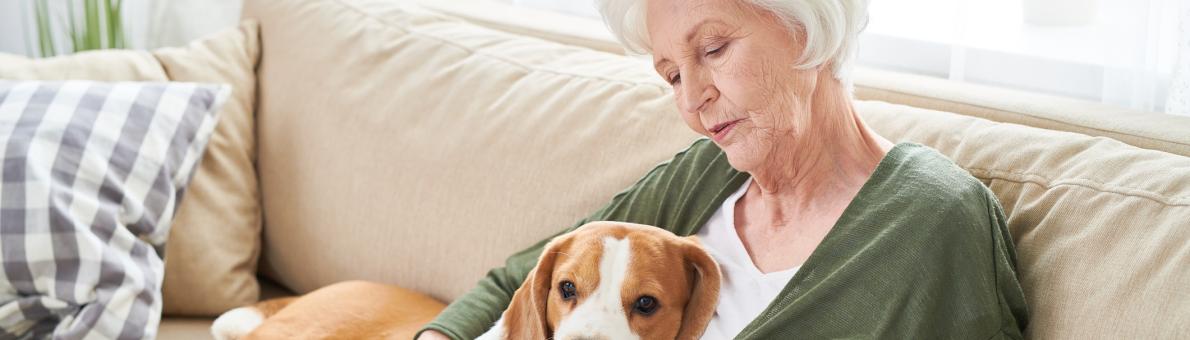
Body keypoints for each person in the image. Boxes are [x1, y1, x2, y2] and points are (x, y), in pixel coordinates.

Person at [418, 0, 1029, 338]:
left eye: (713, 50)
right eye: (673, 75)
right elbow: (520, 283)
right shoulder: (706, 176)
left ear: (805, 24)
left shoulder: (931, 218)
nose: (691, 100)